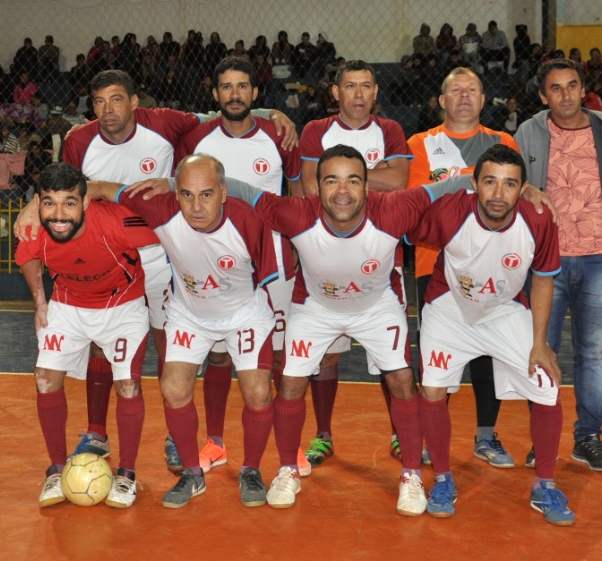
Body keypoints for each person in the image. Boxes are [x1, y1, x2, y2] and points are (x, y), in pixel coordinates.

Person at [14, 69, 298, 476]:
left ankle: (173, 436)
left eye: (115, 99)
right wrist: (31, 206)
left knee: (171, 341)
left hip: (161, 247)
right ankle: (97, 432)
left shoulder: (164, 123)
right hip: (109, 250)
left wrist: (273, 113)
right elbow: (67, 189)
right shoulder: (79, 139)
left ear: (134, 102)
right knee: (100, 342)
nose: (107, 109)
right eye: (98, 101)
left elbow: (222, 112)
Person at [192, 144, 459, 516]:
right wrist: (183, 180)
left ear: (368, 187)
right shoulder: (297, 213)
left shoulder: (395, 209)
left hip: (376, 306)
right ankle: (287, 469)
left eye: (353, 180)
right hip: (316, 307)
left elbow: (443, 188)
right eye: (331, 180)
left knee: (401, 379)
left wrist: (514, 187)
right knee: (290, 382)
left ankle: (411, 475)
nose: (343, 190)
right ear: (315, 188)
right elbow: (245, 191)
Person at [100, 154, 280, 509]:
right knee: (172, 387)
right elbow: (103, 189)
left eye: (207, 194)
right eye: (186, 194)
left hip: (244, 314)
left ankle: (251, 470)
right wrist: (34, 207)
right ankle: (192, 474)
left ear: (225, 192)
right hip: (189, 314)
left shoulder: (248, 222)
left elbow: (267, 278)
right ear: (175, 192)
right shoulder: (163, 209)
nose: (196, 206)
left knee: (258, 392)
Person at [416, 145, 573, 526]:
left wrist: (540, 343)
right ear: (474, 184)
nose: (498, 194)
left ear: (523, 189)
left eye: (509, 185)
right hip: (449, 308)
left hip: (505, 310)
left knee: (546, 385)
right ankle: (442, 479)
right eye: (489, 182)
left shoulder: (538, 219)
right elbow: (398, 224)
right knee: (433, 388)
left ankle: (545, 485)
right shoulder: (449, 211)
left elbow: (543, 281)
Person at [514, 58, 602, 472]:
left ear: (583, 88)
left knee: (592, 354)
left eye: (572, 85)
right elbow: (511, 184)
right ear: (542, 95)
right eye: (556, 88)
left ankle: (588, 437)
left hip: (598, 258)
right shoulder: (528, 132)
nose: (566, 94)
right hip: (546, 265)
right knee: (543, 351)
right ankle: (544, 438)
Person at [175, 55, 304, 475]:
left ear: (254, 92)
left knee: (282, 357)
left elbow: (297, 194)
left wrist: (301, 242)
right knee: (216, 356)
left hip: (273, 260)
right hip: (215, 259)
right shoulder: (196, 137)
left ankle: (291, 443)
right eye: (226, 87)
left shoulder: (277, 134)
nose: (235, 94)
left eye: (243, 86)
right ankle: (215, 442)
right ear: (215, 95)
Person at [15, 162, 160, 509]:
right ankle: (55, 470)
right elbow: (27, 259)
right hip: (68, 303)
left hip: (122, 306)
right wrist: (39, 301)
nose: (59, 214)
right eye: (49, 203)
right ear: (38, 203)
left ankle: (126, 475)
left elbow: (165, 223)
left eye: (69, 202)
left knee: (128, 384)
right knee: (45, 378)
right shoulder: (35, 229)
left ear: (86, 201)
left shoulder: (116, 221)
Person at [297, 59, 412, 470]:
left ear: (376, 92)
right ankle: (323, 434)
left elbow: (401, 182)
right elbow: (311, 188)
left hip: (380, 258)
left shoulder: (392, 130)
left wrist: (342, 177)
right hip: (325, 258)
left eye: (366, 86)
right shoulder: (315, 131)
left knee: (391, 360)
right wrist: (372, 175)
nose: (359, 94)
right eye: (350, 86)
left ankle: (401, 435)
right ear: (336, 92)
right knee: (325, 355)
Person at [407, 67, 522, 469]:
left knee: (487, 354)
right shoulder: (420, 144)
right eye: (454, 90)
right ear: (441, 101)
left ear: (483, 98)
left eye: (471, 89)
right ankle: (429, 437)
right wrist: (469, 188)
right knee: (440, 353)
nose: (463, 96)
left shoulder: (502, 141)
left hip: (493, 265)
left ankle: (486, 437)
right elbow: (421, 203)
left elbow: (511, 199)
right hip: (433, 263)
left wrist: (459, 188)